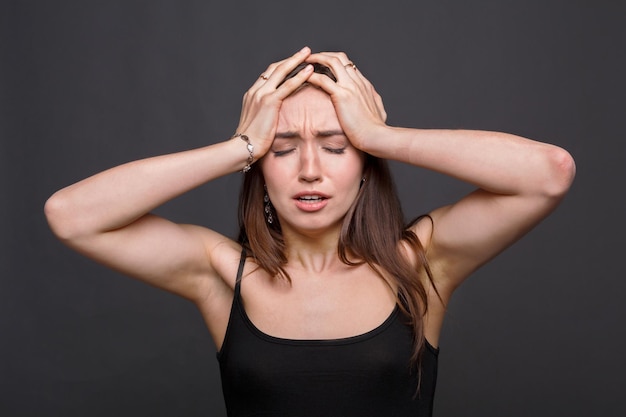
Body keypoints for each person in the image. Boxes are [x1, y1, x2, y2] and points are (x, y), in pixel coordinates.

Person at [44, 47, 575, 416]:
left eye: (336, 146)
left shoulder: (421, 261)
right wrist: (240, 147)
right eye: (281, 148)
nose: (309, 169)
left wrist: (378, 135)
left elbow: (549, 173)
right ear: (262, 166)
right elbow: (71, 214)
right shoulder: (222, 273)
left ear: (366, 163)